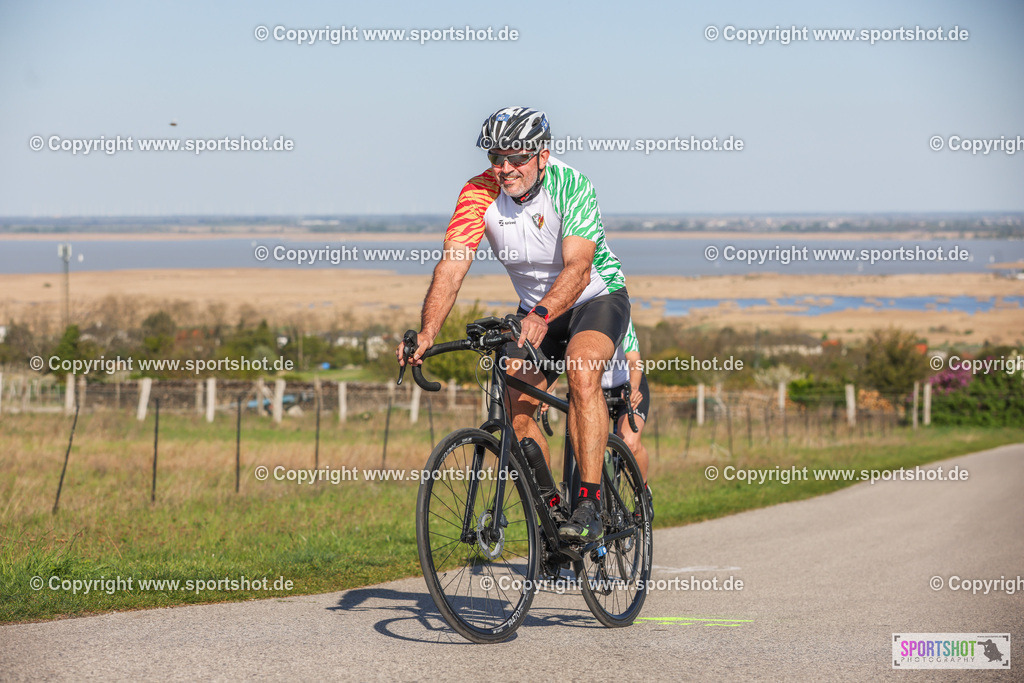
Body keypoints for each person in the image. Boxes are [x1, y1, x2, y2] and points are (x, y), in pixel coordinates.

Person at [397, 106, 630, 543]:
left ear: (542, 155)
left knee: (582, 374)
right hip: (534, 309)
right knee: (515, 402)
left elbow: (579, 268)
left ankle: (589, 504)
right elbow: (451, 268)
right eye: (497, 158)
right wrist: (427, 331)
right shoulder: (478, 193)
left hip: (594, 298)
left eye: (517, 157)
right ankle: (553, 516)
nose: (505, 169)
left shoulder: (571, 185)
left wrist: (542, 313)